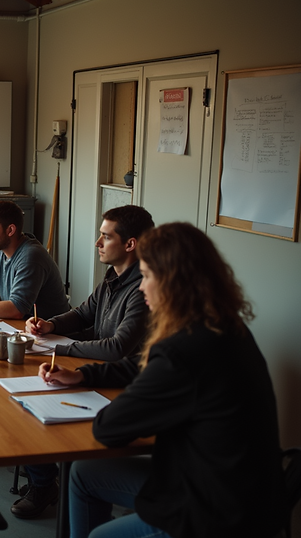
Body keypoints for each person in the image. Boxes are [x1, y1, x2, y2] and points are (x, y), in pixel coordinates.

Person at [44, 223, 285, 538]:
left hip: (216, 513)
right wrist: (83, 374)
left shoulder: (182, 351)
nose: (141, 287)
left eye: (147, 276)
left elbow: (109, 428)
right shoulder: (223, 328)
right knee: (85, 473)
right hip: (246, 490)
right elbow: (142, 367)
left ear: (173, 281)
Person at [10, 205, 154, 519]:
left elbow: (118, 348)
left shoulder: (144, 288)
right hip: (101, 373)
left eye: (106, 237)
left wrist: (63, 349)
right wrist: (50, 325)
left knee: (48, 415)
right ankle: (45, 482)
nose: (97, 243)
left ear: (130, 244)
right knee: (28, 403)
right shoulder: (112, 278)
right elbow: (83, 314)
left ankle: (48, 483)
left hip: (120, 385)